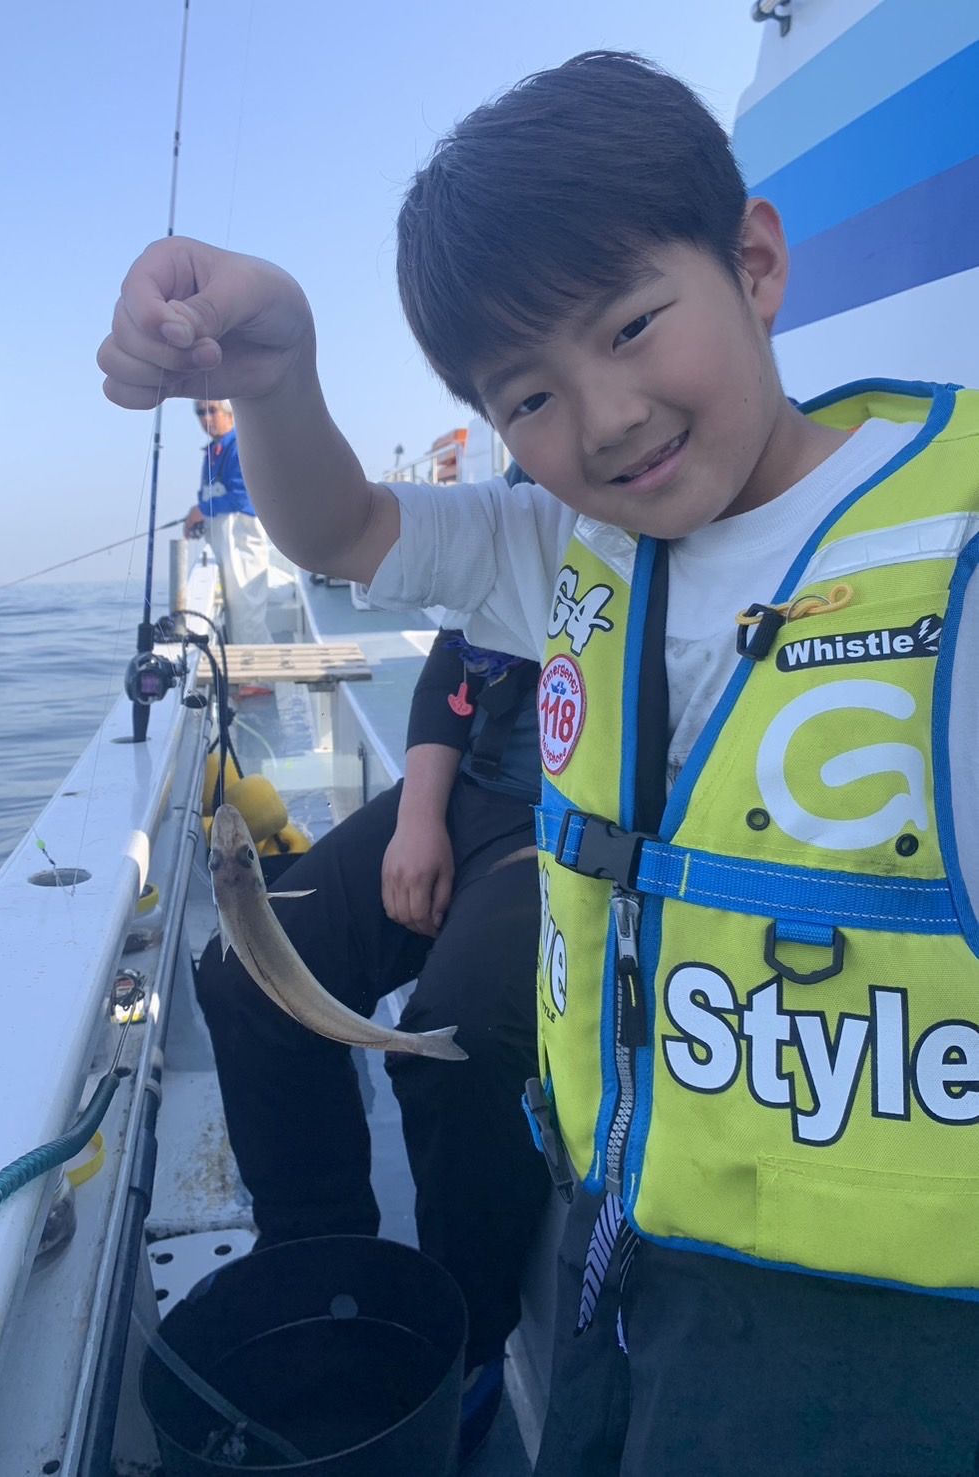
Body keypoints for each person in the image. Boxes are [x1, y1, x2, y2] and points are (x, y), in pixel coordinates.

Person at [99, 50, 979, 1477]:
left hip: (888, 1328)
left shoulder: (954, 550)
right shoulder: (573, 545)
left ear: (755, 263)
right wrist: (279, 373)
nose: (607, 417)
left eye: (632, 326)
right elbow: (338, 530)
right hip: (635, 1241)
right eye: (528, 398)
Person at [194, 626, 546, 1464]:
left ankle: (465, 1340)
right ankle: (319, 1260)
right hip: (469, 791)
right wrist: (419, 815)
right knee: (242, 975)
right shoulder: (537, 533)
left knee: (460, 1040)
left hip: (594, 828)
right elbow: (458, 652)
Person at [185, 398, 272, 649]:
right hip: (222, 541)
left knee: (247, 611)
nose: (206, 418)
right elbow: (207, 495)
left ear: (229, 414)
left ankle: (257, 669)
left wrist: (201, 511)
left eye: (212, 410)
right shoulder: (212, 451)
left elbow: (243, 496)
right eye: (200, 412)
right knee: (236, 613)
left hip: (241, 539)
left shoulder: (240, 445)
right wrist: (201, 515)